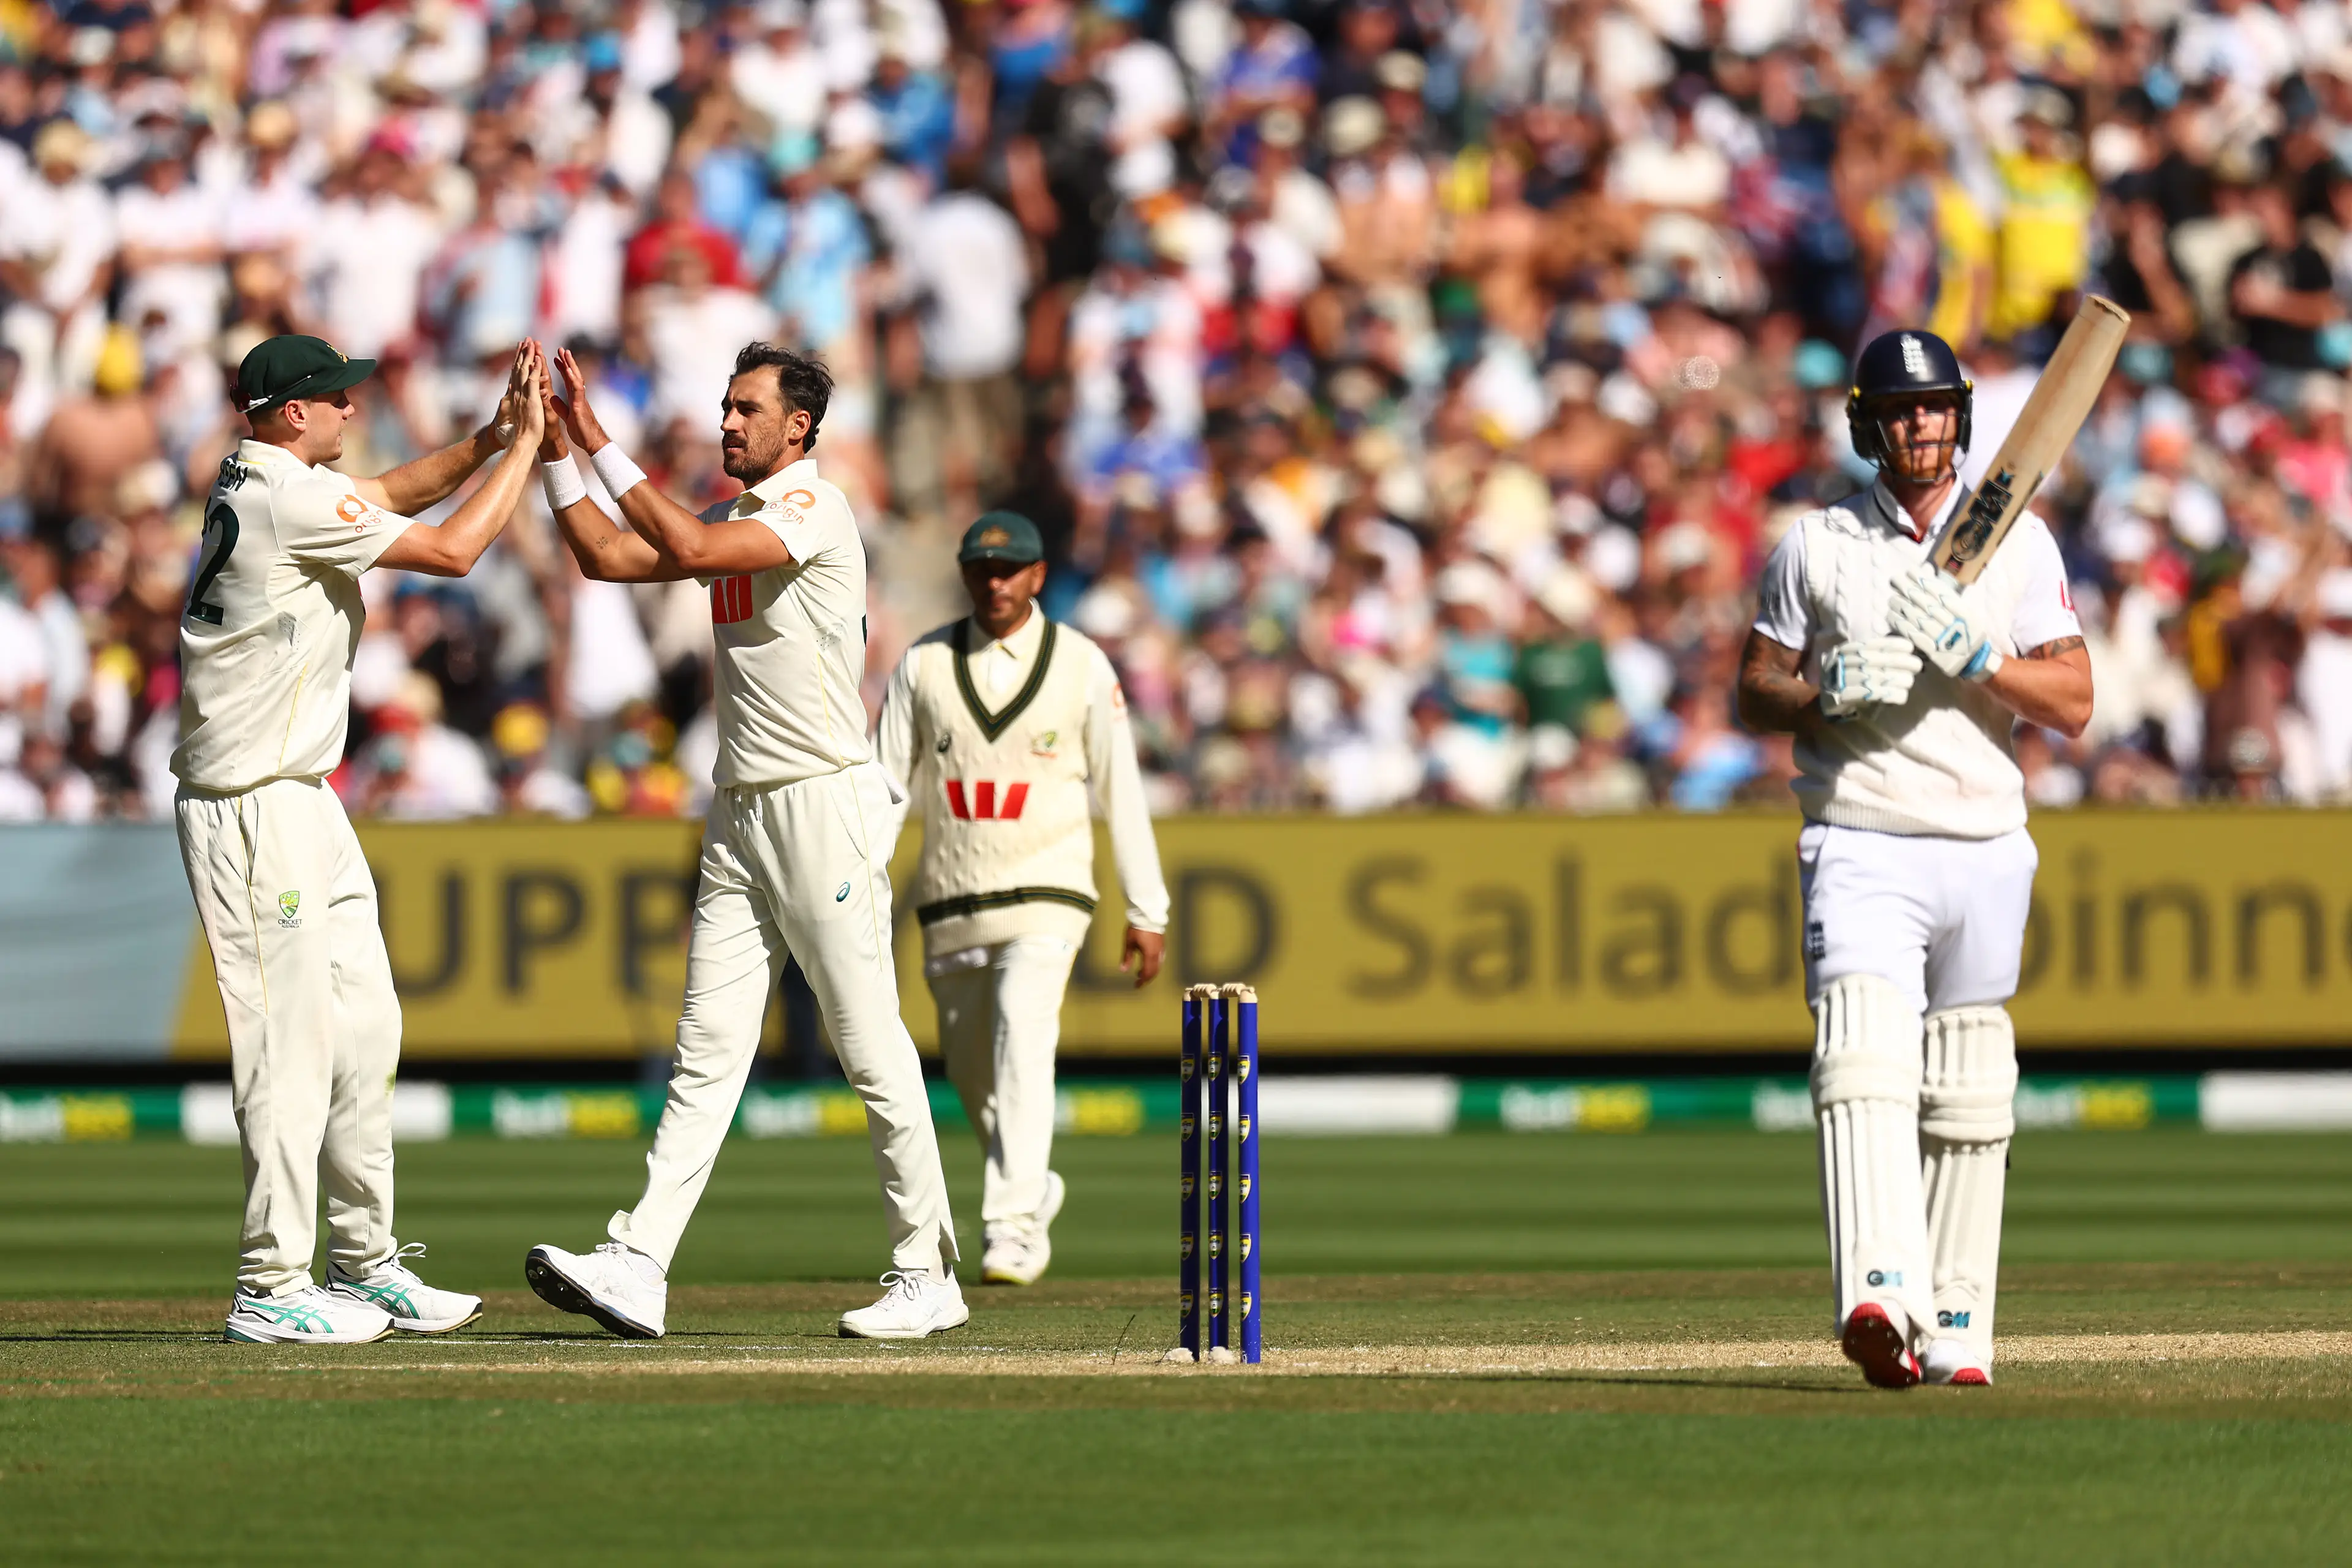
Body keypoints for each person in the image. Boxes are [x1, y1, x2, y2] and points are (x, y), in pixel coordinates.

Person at [524, 342, 965, 1341]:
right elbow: (606, 555)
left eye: (747, 410)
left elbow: (681, 548)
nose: (729, 423)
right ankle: (638, 1261)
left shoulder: (814, 507)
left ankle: (925, 1270)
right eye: (724, 408)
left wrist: (596, 434)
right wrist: (556, 452)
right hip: (739, 810)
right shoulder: (733, 517)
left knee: (867, 1044)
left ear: (797, 428)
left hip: (820, 804)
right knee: (707, 1051)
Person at [1733, 329, 2092, 1389]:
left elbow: (2073, 703)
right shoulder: (1818, 544)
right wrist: (1826, 687)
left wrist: (1987, 662)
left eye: (1936, 407)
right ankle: (1878, 1289)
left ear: (1959, 415)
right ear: (1869, 425)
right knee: (1863, 1052)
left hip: (1985, 834)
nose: (1921, 425)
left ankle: (1961, 1329)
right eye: (1901, 410)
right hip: (1859, 828)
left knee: (1974, 1082)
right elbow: (1755, 688)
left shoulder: (2018, 542)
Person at [177, 333, 546, 1344]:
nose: (352, 410)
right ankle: (269, 1284)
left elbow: (384, 492)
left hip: (305, 797)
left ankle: (366, 1261)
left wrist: (489, 438)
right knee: (287, 1048)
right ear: (293, 413)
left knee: (366, 1028)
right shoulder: (289, 496)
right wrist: (529, 451)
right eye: (337, 399)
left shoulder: (271, 477)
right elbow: (455, 551)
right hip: (250, 804)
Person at [874, 511, 1169, 1285]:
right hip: (952, 898)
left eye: (1011, 570)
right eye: (982, 569)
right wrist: (858, 888)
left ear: (1039, 575)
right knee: (975, 1074)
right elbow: (882, 790)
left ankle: (1008, 1224)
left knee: (1022, 1031)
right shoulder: (925, 663)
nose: (995, 582)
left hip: (1050, 887)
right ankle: (1032, 1186)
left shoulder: (1080, 664)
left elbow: (1121, 789)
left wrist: (1147, 908)